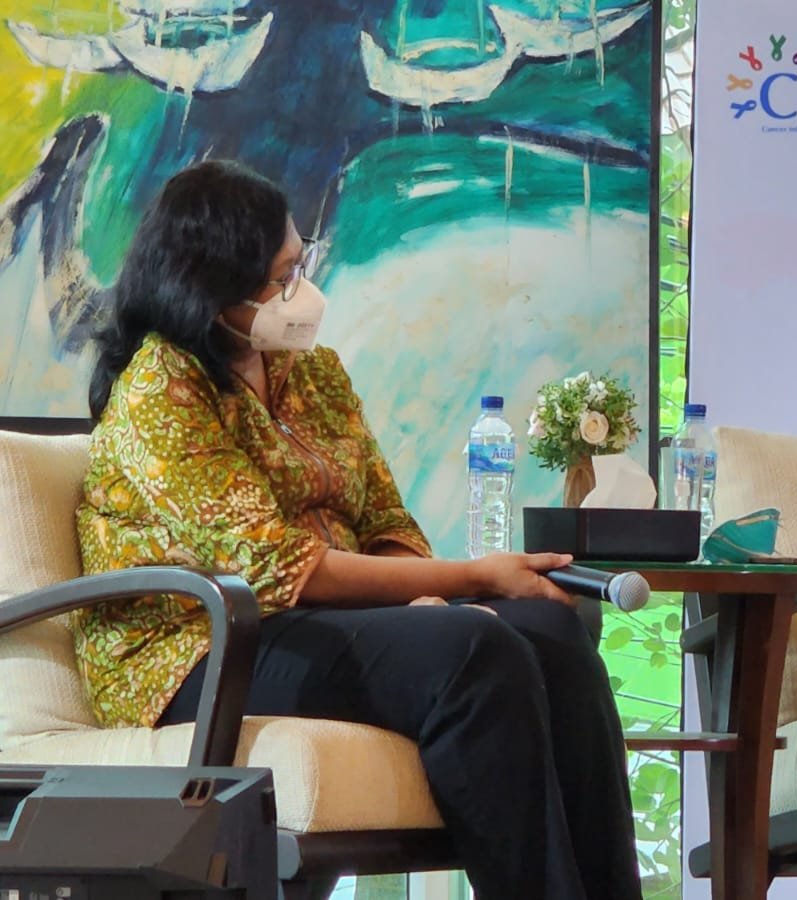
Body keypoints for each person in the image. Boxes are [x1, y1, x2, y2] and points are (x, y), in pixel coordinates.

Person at [74, 159, 643, 900]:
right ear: (212, 293)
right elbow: (283, 567)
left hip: (317, 624)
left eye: (299, 263)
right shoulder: (160, 388)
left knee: (552, 631)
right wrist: (470, 580)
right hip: (202, 647)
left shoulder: (314, 374)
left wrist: (417, 600)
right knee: (472, 649)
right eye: (280, 279)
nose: (301, 290)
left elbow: (383, 517)